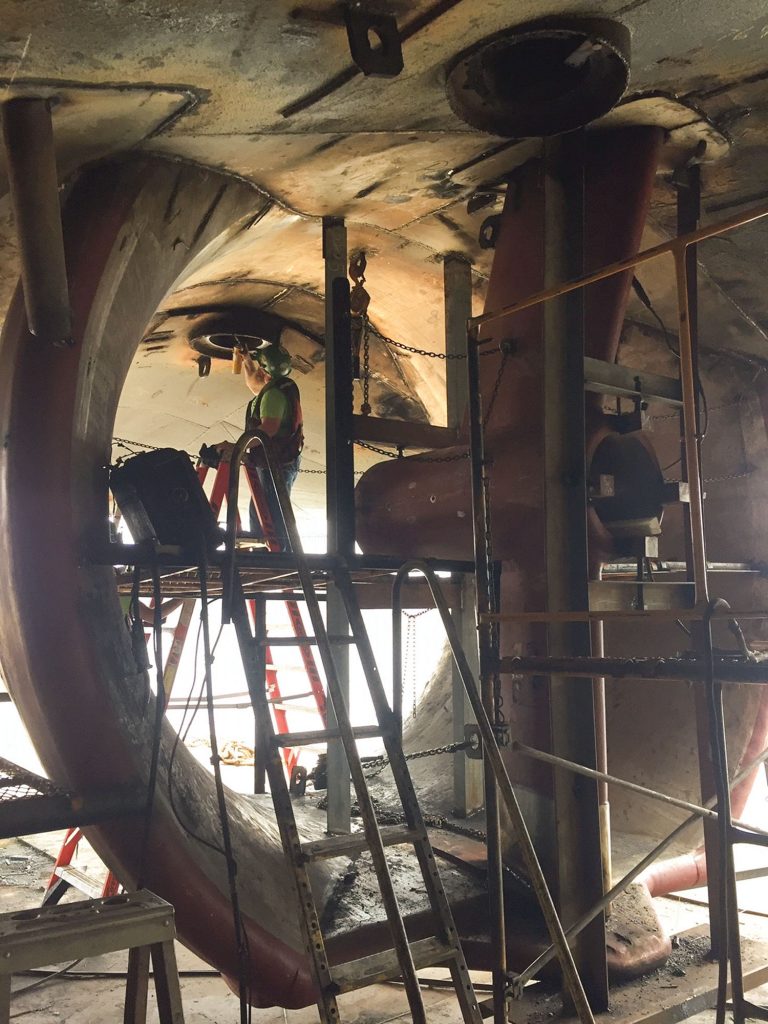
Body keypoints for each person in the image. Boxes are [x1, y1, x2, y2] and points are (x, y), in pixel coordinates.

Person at [239, 341, 303, 547]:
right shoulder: (277, 388)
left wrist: (237, 448)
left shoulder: (273, 396)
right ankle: (273, 555)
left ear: (265, 370)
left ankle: (279, 559)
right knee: (265, 513)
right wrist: (247, 360)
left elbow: (269, 430)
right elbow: (254, 384)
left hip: (273, 464)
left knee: (270, 517)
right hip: (277, 461)